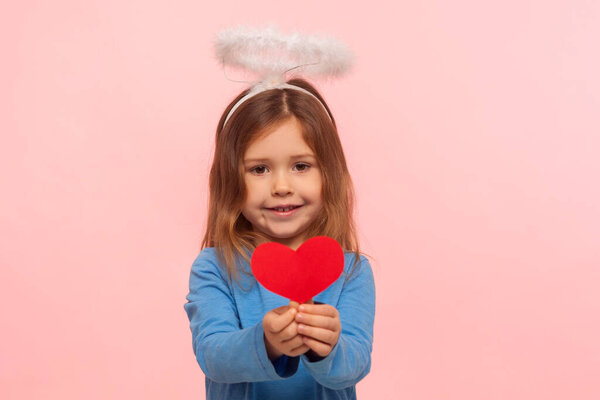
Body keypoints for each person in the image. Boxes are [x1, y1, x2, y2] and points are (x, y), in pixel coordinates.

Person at [183, 70, 375, 399]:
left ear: (329, 174)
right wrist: (266, 343)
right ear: (231, 180)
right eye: (260, 169)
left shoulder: (352, 271)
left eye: (301, 166)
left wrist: (327, 348)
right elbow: (212, 355)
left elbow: (356, 363)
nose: (282, 187)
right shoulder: (214, 267)